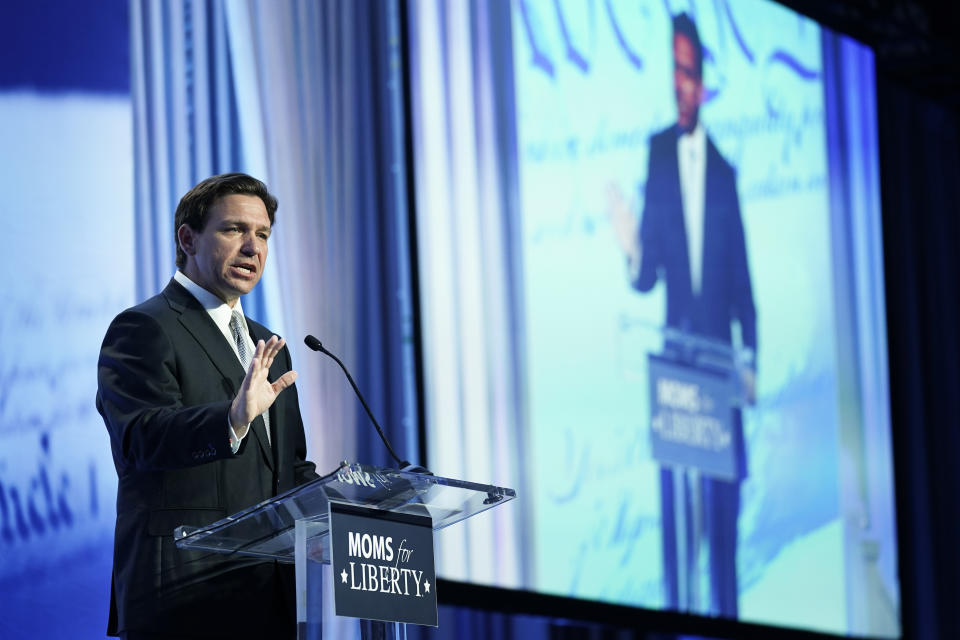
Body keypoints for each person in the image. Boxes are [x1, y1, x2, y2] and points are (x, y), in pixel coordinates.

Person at [97, 173, 317, 639]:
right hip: (183, 597)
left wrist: (355, 504)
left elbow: (288, 471)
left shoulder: (266, 343)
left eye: (262, 234)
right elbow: (142, 438)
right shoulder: (143, 328)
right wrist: (232, 419)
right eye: (234, 229)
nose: (253, 248)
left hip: (265, 598)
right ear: (188, 238)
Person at [609, 13, 756, 618]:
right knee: (676, 524)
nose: (681, 84)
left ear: (704, 81)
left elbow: (744, 286)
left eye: (690, 72)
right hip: (674, 377)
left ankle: (727, 617)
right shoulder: (658, 155)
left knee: (722, 523)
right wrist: (630, 247)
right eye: (674, 70)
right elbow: (648, 278)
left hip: (719, 376)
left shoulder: (723, 171)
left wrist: (750, 362)